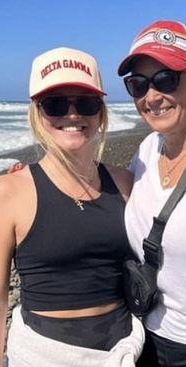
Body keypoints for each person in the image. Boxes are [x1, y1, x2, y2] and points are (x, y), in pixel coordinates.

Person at [0, 46, 145, 367]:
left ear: (101, 112)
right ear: (37, 113)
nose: (72, 114)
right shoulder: (6, 193)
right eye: (55, 104)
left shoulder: (126, 182)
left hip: (124, 351)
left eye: (86, 102)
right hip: (42, 354)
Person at [118, 20, 186, 367]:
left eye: (165, 79)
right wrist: (33, 182)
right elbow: (104, 187)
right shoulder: (147, 149)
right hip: (143, 334)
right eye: (138, 84)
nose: (151, 96)